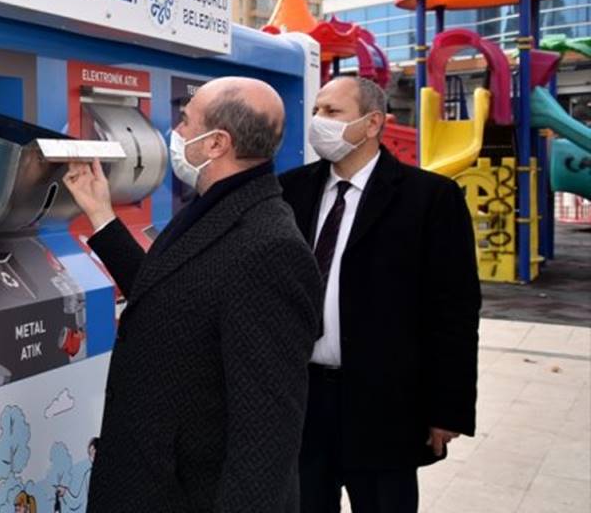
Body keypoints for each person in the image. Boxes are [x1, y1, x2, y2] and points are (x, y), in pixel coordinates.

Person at [63, 77, 323, 511]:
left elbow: (267, 429)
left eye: (185, 121)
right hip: (149, 482)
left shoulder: (269, 246)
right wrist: (101, 215)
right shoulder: (217, 207)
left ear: (217, 143)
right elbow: (170, 296)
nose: (175, 132)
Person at [280, 76, 480, 513]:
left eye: (333, 112)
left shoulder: (429, 198)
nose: (318, 121)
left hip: (385, 403)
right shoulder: (290, 191)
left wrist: (447, 408)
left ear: (372, 124)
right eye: (316, 111)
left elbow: (454, 312)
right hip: (303, 400)